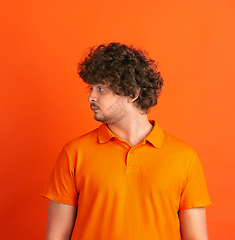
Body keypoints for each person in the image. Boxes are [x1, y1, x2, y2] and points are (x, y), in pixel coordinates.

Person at [43, 42, 211, 240]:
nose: (91, 97)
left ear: (132, 93)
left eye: (101, 89)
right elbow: (56, 237)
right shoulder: (74, 154)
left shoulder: (184, 158)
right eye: (92, 88)